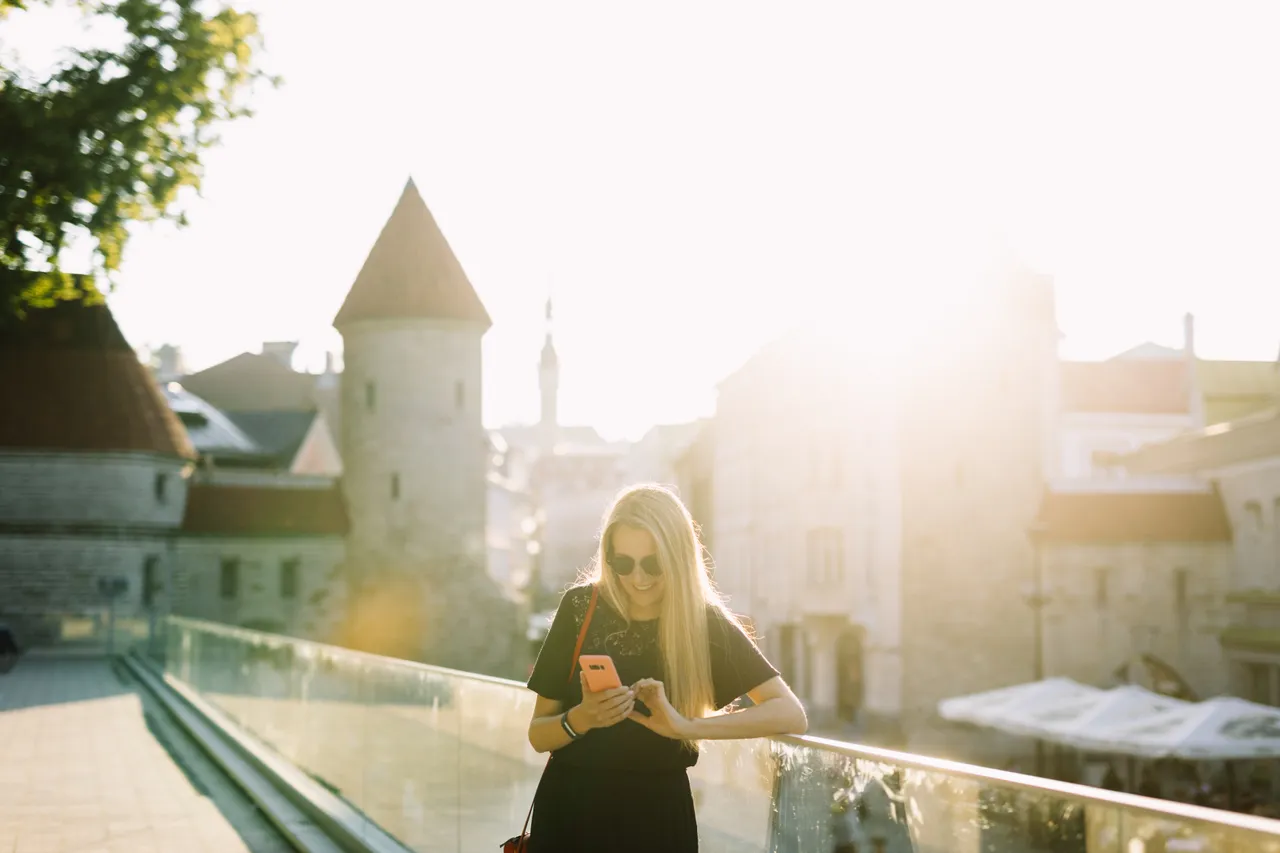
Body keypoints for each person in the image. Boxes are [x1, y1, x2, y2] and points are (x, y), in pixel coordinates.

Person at [524, 484, 808, 852]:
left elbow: (790, 714)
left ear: (678, 557)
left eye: (653, 562)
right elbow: (537, 735)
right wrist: (582, 717)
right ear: (607, 557)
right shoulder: (581, 607)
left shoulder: (703, 623)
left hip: (657, 820)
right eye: (623, 563)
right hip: (568, 817)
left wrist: (686, 726)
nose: (639, 578)